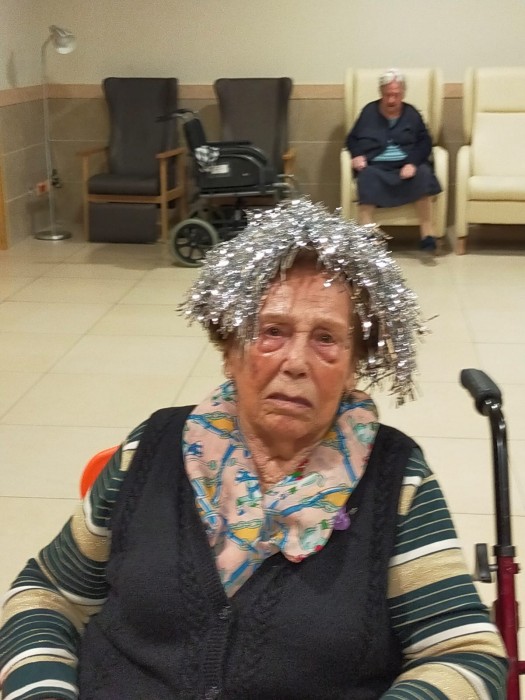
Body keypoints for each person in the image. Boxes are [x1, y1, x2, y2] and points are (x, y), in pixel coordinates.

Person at [0, 198, 506, 700]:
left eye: (326, 339)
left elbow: (465, 653)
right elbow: (46, 593)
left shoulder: (396, 479)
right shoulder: (152, 447)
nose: (296, 362)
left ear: (354, 366)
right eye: (272, 332)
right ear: (229, 349)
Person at [345, 68, 442, 254]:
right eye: (387, 95)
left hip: (405, 166)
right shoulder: (369, 111)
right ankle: (367, 235)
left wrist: (412, 163)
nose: (391, 100)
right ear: (381, 93)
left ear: (403, 94)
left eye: (396, 95)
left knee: (423, 173)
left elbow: (425, 141)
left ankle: (427, 234)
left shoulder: (411, 113)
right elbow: (352, 139)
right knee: (366, 176)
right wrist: (356, 155)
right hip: (376, 166)